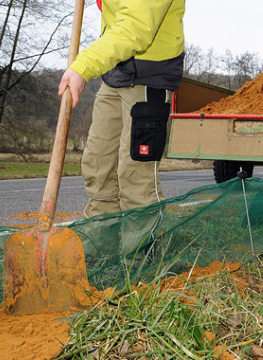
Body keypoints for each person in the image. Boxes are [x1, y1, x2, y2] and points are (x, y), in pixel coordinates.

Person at [58, 0, 185, 219]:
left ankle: (140, 251)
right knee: (98, 166)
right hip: (116, 71)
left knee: (135, 176)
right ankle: (102, 245)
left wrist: (83, 67)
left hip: (149, 76)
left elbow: (134, 27)